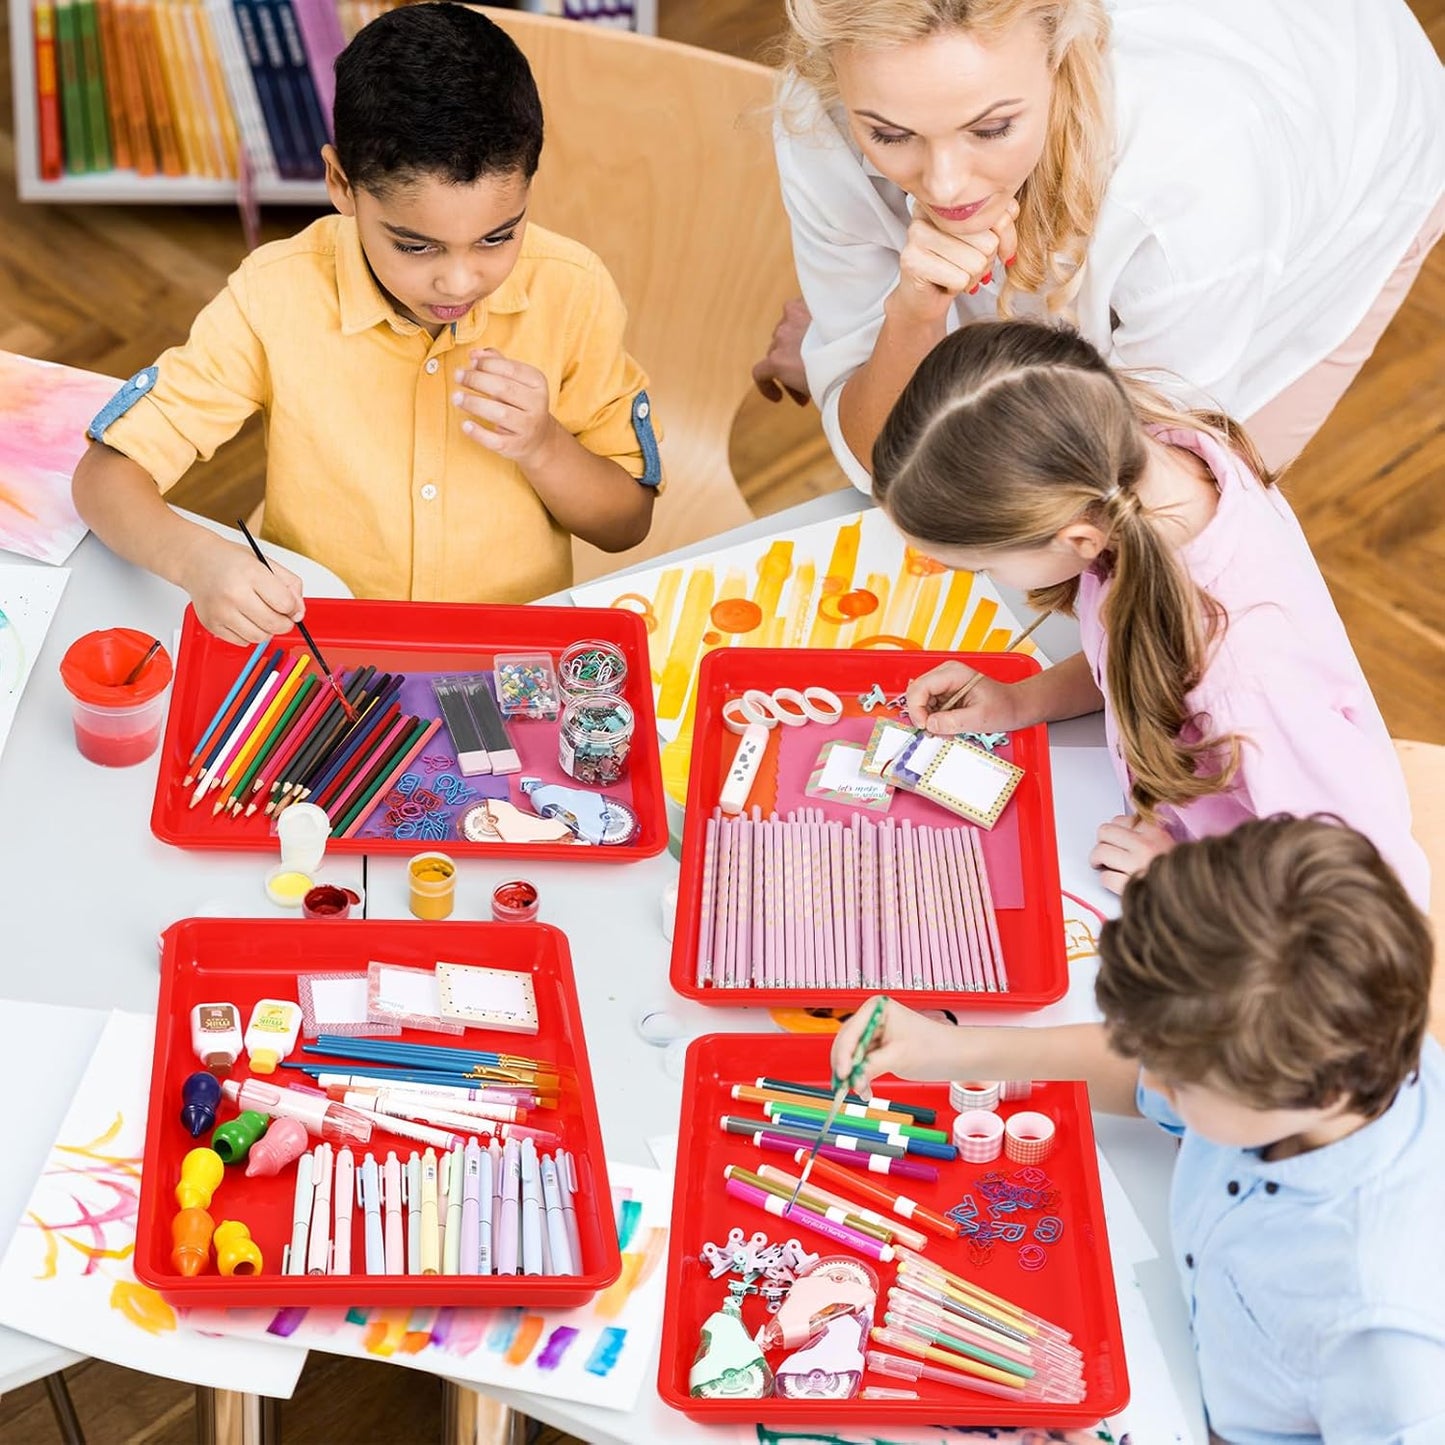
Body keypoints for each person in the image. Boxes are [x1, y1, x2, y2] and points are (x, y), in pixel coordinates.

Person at [832, 817, 1445, 1445]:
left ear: (1313, 1089)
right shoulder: (1329, 1040)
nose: (1156, 1078)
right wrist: (951, 1051)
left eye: (1180, 1080)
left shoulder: (1388, 1342)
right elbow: (1141, 1067)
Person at [73, 3, 662, 643]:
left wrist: (544, 446)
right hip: (324, 650)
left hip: (507, 651)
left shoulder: (572, 290)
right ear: (339, 182)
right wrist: (195, 560)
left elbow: (626, 523)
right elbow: (106, 476)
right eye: (416, 246)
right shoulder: (276, 293)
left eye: (498, 237)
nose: (460, 281)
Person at [755, 0, 1445, 486]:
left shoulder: (1191, 181)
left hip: (1353, 140)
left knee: (1182, 514)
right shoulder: (819, 113)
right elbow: (886, 462)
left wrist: (867, 371)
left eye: (990, 128)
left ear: (1063, 50)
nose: (943, 182)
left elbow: (1132, 492)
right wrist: (905, 320)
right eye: (890, 135)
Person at [873, 319, 1427, 905]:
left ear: (1079, 540)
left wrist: (1181, 881)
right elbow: (1134, 651)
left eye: (985, 568)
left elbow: (1375, 894)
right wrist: (1021, 700)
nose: (990, 580)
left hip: (1252, 907)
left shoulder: (1245, 682)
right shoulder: (1140, 468)